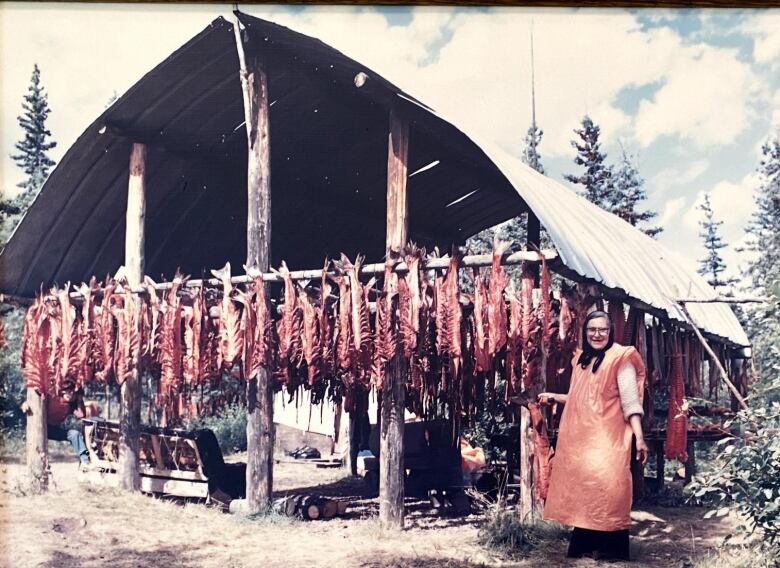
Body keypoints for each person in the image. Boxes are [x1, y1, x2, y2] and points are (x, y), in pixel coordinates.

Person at [539, 309, 649, 561]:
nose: (597, 334)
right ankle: (585, 544)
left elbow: (631, 402)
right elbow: (584, 398)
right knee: (584, 489)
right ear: (585, 332)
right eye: (592, 329)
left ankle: (612, 548)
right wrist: (557, 397)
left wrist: (639, 437)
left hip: (609, 440)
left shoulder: (621, 359)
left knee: (610, 490)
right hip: (581, 441)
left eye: (602, 329)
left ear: (610, 332)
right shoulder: (582, 360)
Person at [21, 380, 92, 467]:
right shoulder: (52, 397)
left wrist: (79, 400)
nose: (71, 395)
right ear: (62, 391)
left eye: (73, 393)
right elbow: (37, 399)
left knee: (74, 434)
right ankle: (38, 464)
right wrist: (25, 404)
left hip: (55, 430)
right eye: (68, 392)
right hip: (41, 428)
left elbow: (81, 415)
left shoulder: (71, 404)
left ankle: (85, 460)